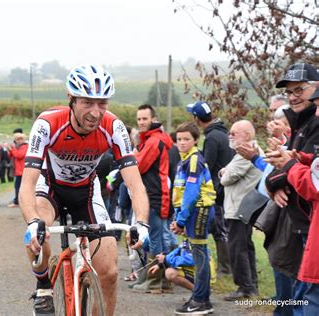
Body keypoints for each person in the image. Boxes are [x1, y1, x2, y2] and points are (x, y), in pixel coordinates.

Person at [20, 64, 149, 316]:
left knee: (110, 273)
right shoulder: (47, 123)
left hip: (87, 193)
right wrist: (33, 221)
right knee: (37, 233)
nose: (95, 112)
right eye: (87, 103)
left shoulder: (114, 127)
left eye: (102, 104)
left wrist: (142, 222)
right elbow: (27, 183)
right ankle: (44, 285)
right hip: (50, 188)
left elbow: (135, 183)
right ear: (71, 99)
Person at [265, 63, 319, 315]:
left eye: (300, 89)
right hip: (299, 221)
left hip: (309, 222)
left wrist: (285, 168)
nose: (293, 96)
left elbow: (306, 176)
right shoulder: (299, 125)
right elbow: (277, 170)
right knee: (299, 290)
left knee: (307, 296)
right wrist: (274, 183)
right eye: (289, 92)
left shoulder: (313, 124)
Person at [170, 122, 216, 315]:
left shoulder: (194, 159)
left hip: (199, 209)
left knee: (199, 254)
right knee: (198, 253)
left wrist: (181, 220)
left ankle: (199, 300)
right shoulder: (184, 159)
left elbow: (191, 192)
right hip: (191, 212)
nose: (181, 143)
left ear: (195, 140)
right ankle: (202, 299)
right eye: (179, 139)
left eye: (186, 139)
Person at [187, 101, 234, 276]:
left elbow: (207, 165)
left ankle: (225, 267)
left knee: (220, 228)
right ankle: (227, 265)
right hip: (224, 186)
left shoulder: (212, 137)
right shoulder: (222, 133)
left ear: (197, 119)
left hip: (217, 189)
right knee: (222, 227)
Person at [131, 104, 175, 293]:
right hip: (153, 195)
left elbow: (139, 167)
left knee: (154, 239)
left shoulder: (154, 141)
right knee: (159, 239)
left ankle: (155, 282)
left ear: (153, 119)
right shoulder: (151, 139)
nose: (141, 122)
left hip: (154, 196)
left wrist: (133, 158)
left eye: (145, 119)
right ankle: (162, 281)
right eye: (139, 119)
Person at [220, 120, 263, 301]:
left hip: (239, 207)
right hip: (241, 206)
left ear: (246, 135)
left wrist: (224, 172)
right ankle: (250, 285)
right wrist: (225, 171)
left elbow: (226, 177)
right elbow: (227, 172)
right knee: (245, 246)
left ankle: (245, 287)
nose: (230, 136)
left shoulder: (247, 152)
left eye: (234, 133)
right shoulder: (243, 152)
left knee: (238, 247)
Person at [7, 133, 28, 208]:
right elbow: (11, 156)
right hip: (18, 170)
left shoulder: (25, 146)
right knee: (17, 187)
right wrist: (10, 150)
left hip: (22, 171)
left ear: (24, 139)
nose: (19, 141)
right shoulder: (17, 147)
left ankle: (18, 202)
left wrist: (12, 149)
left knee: (20, 187)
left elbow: (19, 155)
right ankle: (18, 201)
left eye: (20, 139)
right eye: (17, 139)